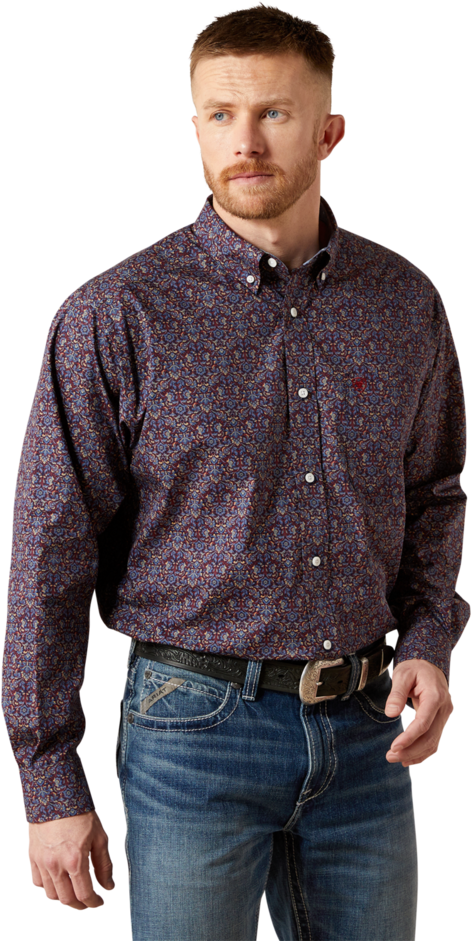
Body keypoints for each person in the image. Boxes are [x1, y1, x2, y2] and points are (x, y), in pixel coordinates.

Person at [2, 4, 468, 940]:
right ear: (195, 128)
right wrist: (50, 781)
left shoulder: (405, 302)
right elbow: (50, 548)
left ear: (330, 132)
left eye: (274, 114)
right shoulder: (114, 315)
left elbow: (435, 493)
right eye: (220, 115)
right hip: (191, 735)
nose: (245, 142)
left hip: (371, 738)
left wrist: (428, 640)